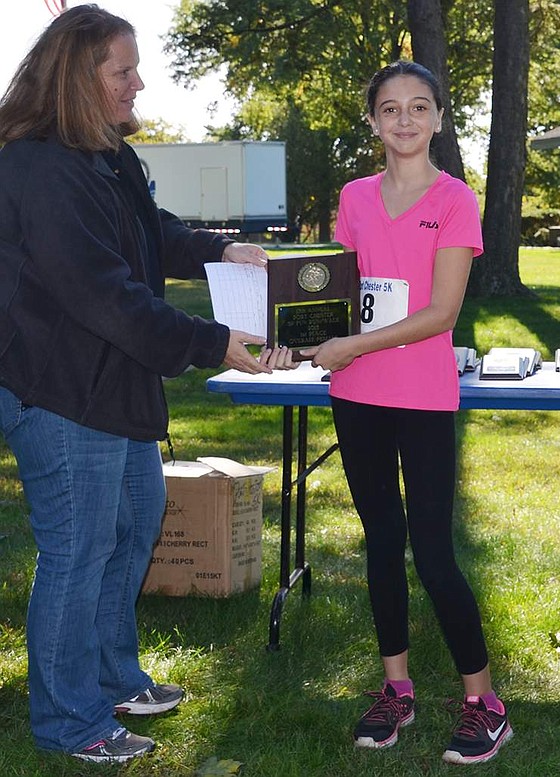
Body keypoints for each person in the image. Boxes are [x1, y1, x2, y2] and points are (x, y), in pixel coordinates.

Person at [0, 4, 293, 764]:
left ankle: (112, 676)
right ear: (78, 77)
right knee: (79, 547)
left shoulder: (105, 154)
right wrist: (212, 343)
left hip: (115, 385)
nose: (139, 83)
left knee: (133, 524)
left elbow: (150, 232)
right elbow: (104, 293)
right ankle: (70, 719)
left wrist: (220, 246)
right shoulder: (36, 165)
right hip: (62, 392)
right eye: (123, 70)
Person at [301, 61, 513, 765]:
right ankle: (398, 689)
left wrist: (353, 341)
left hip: (421, 397)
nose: (404, 120)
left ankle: (484, 702)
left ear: (439, 119)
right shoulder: (355, 196)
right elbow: (344, 287)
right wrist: (303, 337)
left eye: (419, 107)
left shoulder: (456, 198)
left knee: (433, 553)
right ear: (372, 122)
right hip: (354, 394)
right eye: (389, 108)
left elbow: (441, 312)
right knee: (381, 542)